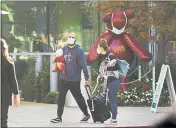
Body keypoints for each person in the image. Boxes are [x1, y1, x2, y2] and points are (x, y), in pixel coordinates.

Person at [50, 32, 90, 123]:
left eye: (72, 37)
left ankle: (86, 114)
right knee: (61, 98)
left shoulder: (79, 51)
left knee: (78, 97)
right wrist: (57, 64)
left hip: (74, 79)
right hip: (63, 78)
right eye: (69, 37)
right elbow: (59, 60)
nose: (70, 38)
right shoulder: (64, 49)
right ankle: (59, 117)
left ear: (75, 39)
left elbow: (84, 65)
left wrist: (86, 79)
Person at [96, 39, 121, 125]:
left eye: (98, 47)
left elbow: (112, 69)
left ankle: (114, 119)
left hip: (113, 81)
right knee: (106, 100)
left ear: (102, 48)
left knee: (112, 100)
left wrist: (105, 73)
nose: (97, 48)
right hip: (109, 82)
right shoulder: (105, 56)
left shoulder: (111, 56)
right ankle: (113, 115)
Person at [1, 38, 20, 127]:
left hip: (4, 93)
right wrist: (16, 95)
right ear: (5, 49)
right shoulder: (9, 61)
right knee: (3, 119)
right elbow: (12, 79)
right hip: (5, 93)